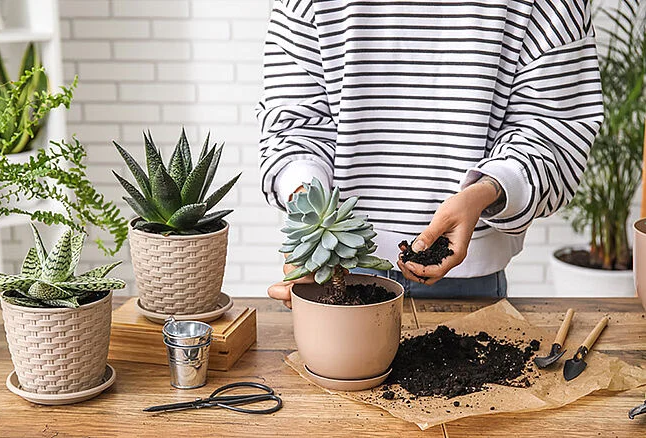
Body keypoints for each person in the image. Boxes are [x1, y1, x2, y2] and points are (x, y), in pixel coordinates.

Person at [257, 0, 603, 306]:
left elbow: (553, 130)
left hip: (470, 282)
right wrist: (310, 228)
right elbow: (294, 124)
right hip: (337, 270)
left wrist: (486, 190)